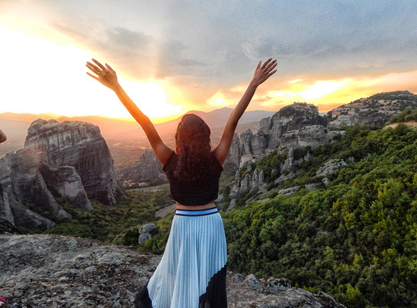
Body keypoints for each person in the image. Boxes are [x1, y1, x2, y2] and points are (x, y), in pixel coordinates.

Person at [86, 57, 277, 308]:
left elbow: (145, 122)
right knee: (209, 279)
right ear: (206, 136)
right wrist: (253, 84)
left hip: (183, 226)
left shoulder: (170, 160)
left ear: (179, 138)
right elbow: (233, 120)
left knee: (179, 278)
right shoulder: (216, 159)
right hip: (210, 225)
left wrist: (117, 88)